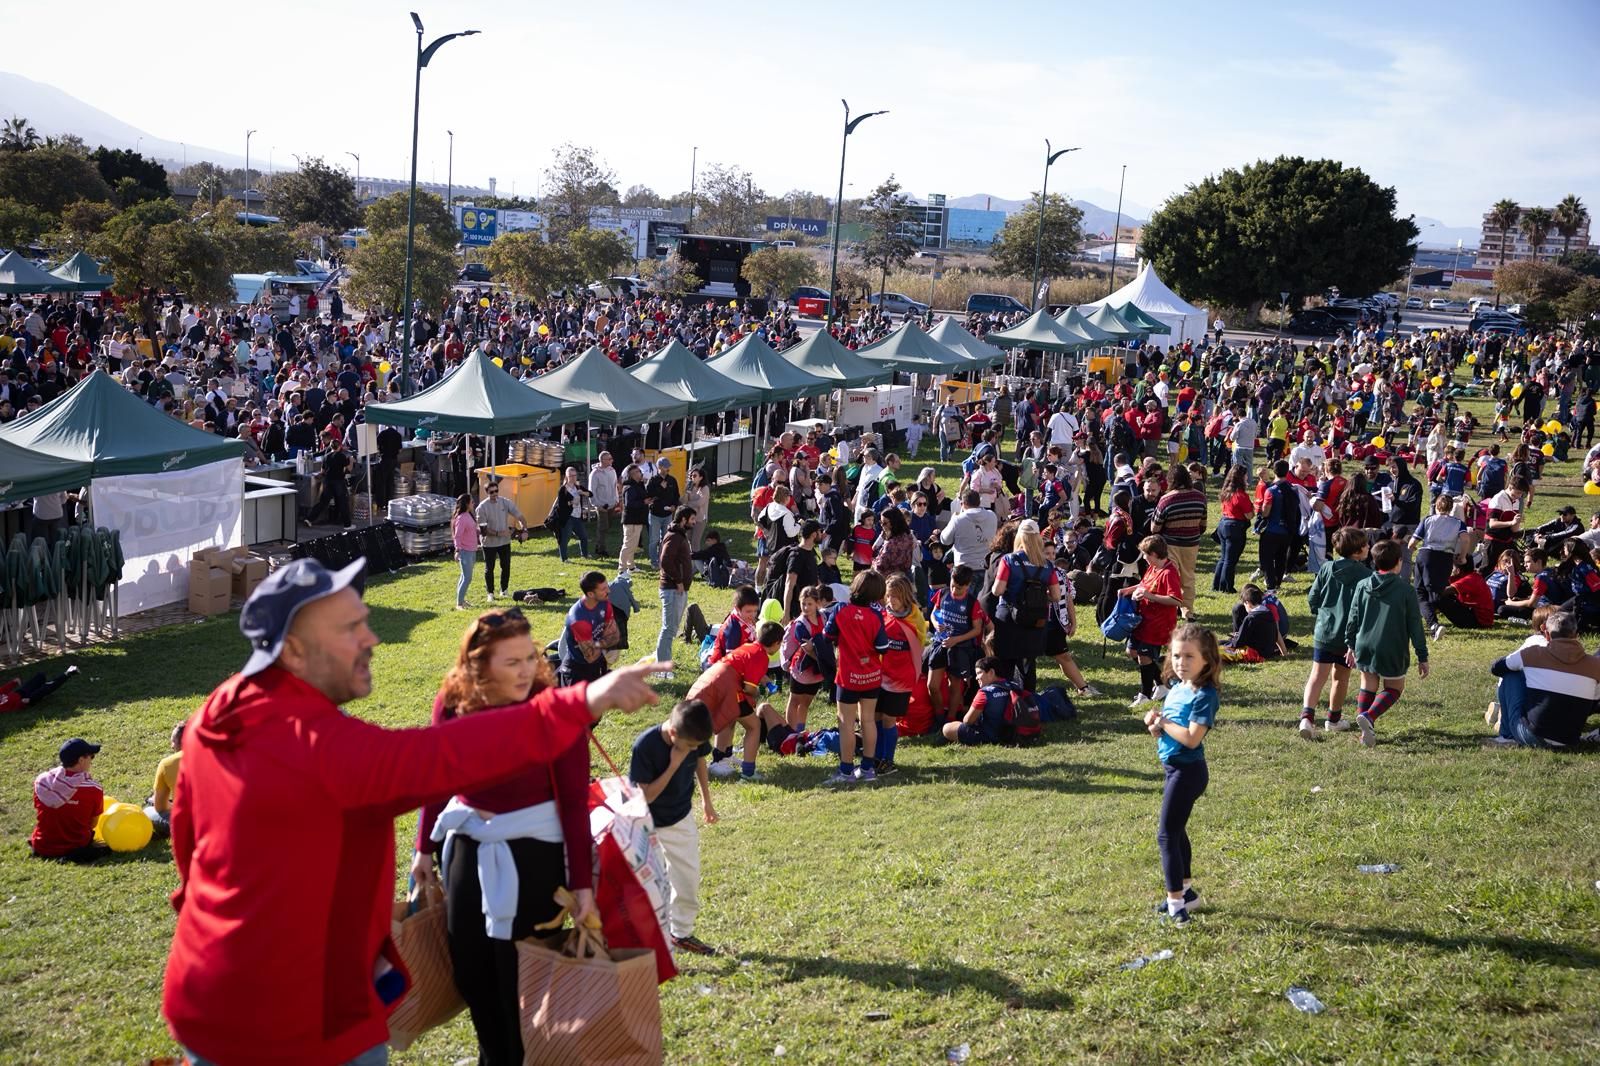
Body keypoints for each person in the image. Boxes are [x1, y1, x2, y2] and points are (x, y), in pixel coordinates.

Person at [161, 557, 668, 1066]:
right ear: (292, 649)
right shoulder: (320, 747)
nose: (371, 638)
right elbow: (441, 758)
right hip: (300, 1025)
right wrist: (579, 702)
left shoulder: (216, 712)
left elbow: (189, 844)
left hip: (204, 995)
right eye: (350, 627)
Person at [411, 609, 596, 1066]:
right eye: (510, 661)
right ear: (478, 664)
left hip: (535, 856)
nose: (526, 669)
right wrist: (422, 850)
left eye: (529, 657)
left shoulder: (554, 708)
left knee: (520, 979)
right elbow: (437, 777)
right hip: (468, 848)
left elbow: (574, 802)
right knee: (471, 972)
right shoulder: (453, 703)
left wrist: (582, 884)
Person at [1143, 624, 1221, 927]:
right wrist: (1154, 725)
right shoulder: (1177, 688)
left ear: (1206, 660)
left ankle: (1176, 906)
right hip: (1173, 769)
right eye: (1176, 655)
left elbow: (1191, 738)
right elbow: (1163, 731)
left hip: (1189, 772)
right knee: (1177, 831)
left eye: (1189, 656)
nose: (1181, 662)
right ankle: (1187, 893)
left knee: (1166, 835)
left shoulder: (1205, 695)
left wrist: (1162, 721)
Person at [630, 699, 719, 956]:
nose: (693, 750)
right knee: (651, 886)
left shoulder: (694, 736)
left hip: (680, 817)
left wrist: (706, 801)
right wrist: (673, 764)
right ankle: (644, 942)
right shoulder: (645, 746)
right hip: (647, 825)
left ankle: (681, 933)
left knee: (688, 879)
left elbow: (701, 761)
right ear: (673, 733)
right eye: (689, 746)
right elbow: (645, 797)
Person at [1343, 539, 1430, 748]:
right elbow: (1415, 626)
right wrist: (1422, 656)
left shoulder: (1362, 586)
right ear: (1399, 562)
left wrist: (1350, 644)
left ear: (1374, 561)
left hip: (1364, 644)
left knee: (1368, 685)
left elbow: (1353, 617)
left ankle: (1365, 734)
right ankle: (1369, 717)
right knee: (1394, 688)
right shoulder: (1405, 590)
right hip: (1392, 646)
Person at [1487, 611, 1600, 749]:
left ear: (1546, 634)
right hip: (1569, 740)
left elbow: (1496, 668)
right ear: (1576, 636)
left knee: (1512, 675)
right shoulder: (1595, 665)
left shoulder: (1532, 654)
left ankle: (1506, 736)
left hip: (1532, 736)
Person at [686, 622, 782, 782]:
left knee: (729, 717)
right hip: (728, 688)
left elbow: (743, 666)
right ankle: (748, 773)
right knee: (754, 726)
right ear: (776, 643)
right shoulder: (761, 656)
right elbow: (749, 689)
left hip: (711, 679)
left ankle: (721, 759)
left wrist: (765, 681)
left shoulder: (749, 647)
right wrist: (757, 692)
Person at [824, 569, 891, 785]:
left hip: (847, 677)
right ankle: (867, 768)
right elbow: (883, 646)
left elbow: (827, 635)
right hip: (871, 676)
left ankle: (846, 771)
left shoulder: (840, 609)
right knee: (868, 720)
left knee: (845, 723)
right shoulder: (876, 615)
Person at [1300, 528, 1369, 739]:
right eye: (1366, 545)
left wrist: (1319, 613)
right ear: (1358, 551)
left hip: (1325, 631)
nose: (1369, 547)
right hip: (1348, 636)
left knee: (1316, 676)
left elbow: (1314, 597)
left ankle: (1307, 717)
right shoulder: (1366, 576)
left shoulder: (1327, 568)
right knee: (1341, 676)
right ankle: (1334, 719)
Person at [989, 520, 1060, 686]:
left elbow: (997, 591)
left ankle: (1006, 703)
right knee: (1028, 666)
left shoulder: (1009, 560)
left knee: (1006, 664)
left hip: (1009, 618)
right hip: (1035, 619)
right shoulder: (1047, 565)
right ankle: (1028, 704)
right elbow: (1056, 596)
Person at [1123, 536, 1184, 708]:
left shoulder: (1169, 572)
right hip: (1144, 620)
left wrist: (1150, 597)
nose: (1143, 558)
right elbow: (1144, 584)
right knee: (1132, 651)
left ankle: (1145, 694)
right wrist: (1127, 590)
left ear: (1155, 554)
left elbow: (1176, 600)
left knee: (1144, 656)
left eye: (1145, 554)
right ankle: (1163, 684)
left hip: (1158, 623)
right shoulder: (1153, 567)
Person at [29, 737, 107, 863]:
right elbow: (92, 824)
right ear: (81, 760)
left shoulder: (41, 782)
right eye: (91, 756)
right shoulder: (94, 789)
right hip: (76, 848)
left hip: (42, 846)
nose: (92, 760)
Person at [1152, 465, 1208, 616]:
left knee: (1171, 576)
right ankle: (1187, 610)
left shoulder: (1166, 499)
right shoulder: (1200, 497)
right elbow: (1203, 524)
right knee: (1188, 578)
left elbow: (1155, 527)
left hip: (1170, 544)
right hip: (1191, 543)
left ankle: (1169, 606)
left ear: (1171, 480)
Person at [656, 506, 697, 679]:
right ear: (683, 519)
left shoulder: (679, 535)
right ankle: (661, 669)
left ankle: (665, 661)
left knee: (671, 629)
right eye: (692, 519)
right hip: (673, 589)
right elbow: (665, 560)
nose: (694, 522)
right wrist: (678, 581)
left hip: (678, 589)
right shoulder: (674, 537)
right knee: (668, 629)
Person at [941, 656, 1018, 746]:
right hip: (1012, 735)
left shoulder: (985, 693)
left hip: (990, 736)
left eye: (979, 673)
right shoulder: (1014, 686)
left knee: (947, 728)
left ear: (991, 672)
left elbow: (967, 721)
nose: (976, 678)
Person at [557, 571, 617, 687]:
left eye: (607, 587)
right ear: (590, 594)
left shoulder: (604, 603)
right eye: (603, 589)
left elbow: (615, 635)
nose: (608, 591)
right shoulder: (579, 618)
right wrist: (605, 641)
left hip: (597, 665)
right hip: (577, 672)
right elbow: (590, 656)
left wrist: (597, 644)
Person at [475, 479, 527, 601]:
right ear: (487, 493)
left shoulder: (505, 502)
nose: (495, 494)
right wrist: (499, 533)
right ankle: (490, 593)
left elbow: (520, 516)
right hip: (489, 543)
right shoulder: (481, 508)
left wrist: (524, 530)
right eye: (492, 492)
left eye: (496, 491)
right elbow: (483, 530)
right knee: (490, 568)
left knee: (506, 566)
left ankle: (504, 590)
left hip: (504, 542)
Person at [940, 490, 999, 590]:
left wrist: (953, 519)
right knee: (981, 603)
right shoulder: (992, 516)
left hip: (964, 569)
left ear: (962, 504)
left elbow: (945, 540)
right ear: (979, 502)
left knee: (965, 602)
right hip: (986, 566)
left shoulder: (958, 520)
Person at [1212, 465, 1253, 593]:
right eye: (1245, 475)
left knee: (1224, 557)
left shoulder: (1227, 492)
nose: (1247, 477)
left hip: (1224, 524)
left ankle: (1217, 584)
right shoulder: (1241, 495)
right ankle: (1226, 587)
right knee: (1231, 560)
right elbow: (1249, 515)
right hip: (1235, 527)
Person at [144, 721, 185, 838]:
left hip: (190, 824)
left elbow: (160, 807)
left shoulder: (167, 763)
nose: (171, 745)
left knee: (148, 811)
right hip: (223, 820)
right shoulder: (217, 754)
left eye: (173, 741)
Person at [646, 457, 681, 569]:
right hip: (655, 514)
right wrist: (660, 488)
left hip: (668, 515)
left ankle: (664, 559)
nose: (668, 469)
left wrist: (674, 506)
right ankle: (654, 561)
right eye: (666, 467)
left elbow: (676, 495)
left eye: (668, 466)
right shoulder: (652, 481)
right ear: (659, 467)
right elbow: (649, 495)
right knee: (654, 539)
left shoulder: (672, 480)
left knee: (666, 539)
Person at [551, 466, 591, 563]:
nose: (573, 478)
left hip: (577, 516)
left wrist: (583, 493)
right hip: (567, 517)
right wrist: (571, 502)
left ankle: (585, 554)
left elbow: (591, 494)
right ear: (567, 476)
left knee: (584, 536)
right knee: (565, 538)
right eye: (571, 476)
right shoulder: (563, 489)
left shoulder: (578, 487)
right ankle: (564, 558)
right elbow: (561, 505)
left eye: (574, 475)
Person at [588, 451, 620, 558]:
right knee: (603, 527)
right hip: (601, 505)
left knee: (607, 526)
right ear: (602, 460)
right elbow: (591, 491)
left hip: (612, 504)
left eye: (611, 458)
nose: (612, 460)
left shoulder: (612, 470)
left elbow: (615, 485)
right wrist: (597, 505)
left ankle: (599, 545)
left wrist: (616, 499)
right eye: (609, 459)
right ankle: (601, 549)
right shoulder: (595, 474)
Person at [618, 462, 648, 572]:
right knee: (628, 544)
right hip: (631, 520)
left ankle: (630, 566)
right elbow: (629, 504)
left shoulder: (639, 485)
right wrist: (644, 502)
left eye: (638, 471)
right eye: (635, 472)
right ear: (630, 475)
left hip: (638, 518)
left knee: (633, 544)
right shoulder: (629, 487)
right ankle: (622, 569)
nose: (638, 474)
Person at [452, 494, 480, 610]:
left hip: (471, 550)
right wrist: (457, 550)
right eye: (472, 502)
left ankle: (461, 600)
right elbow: (457, 536)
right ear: (467, 504)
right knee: (467, 578)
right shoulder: (462, 518)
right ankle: (459, 604)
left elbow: (471, 530)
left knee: (464, 576)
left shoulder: (468, 515)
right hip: (465, 552)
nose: (473, 503)